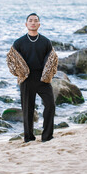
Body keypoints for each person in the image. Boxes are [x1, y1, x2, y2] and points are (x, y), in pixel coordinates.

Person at [7, 13, 58, 142]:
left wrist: (49, 74)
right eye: (30, 21)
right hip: (26, 79)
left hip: (43, 79)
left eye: (35, 21)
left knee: (50, 105)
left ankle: (47, 136)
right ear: (26, 24)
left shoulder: (46, 42)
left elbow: (52, 59)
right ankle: (28, 138)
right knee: (27, 110)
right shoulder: (19, 42)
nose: (33, 23)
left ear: (39, 24)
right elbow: (11, 60)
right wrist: (19, 74)